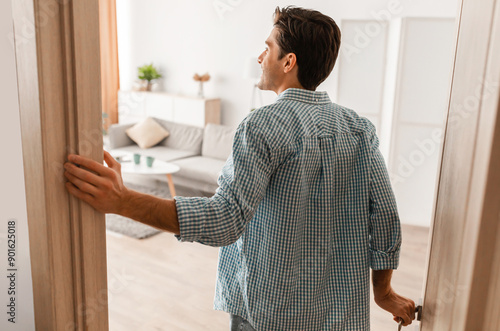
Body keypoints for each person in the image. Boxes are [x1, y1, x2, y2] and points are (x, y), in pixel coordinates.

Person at [64, 6, 415, 330]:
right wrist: (383, 292)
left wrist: (122, 201)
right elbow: (384, 218)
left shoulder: (261, 125)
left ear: (288, 61)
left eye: (267, 48)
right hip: (342, 314)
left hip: (270, 313)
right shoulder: (359, 128)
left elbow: (223, 221)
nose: (261, 57)